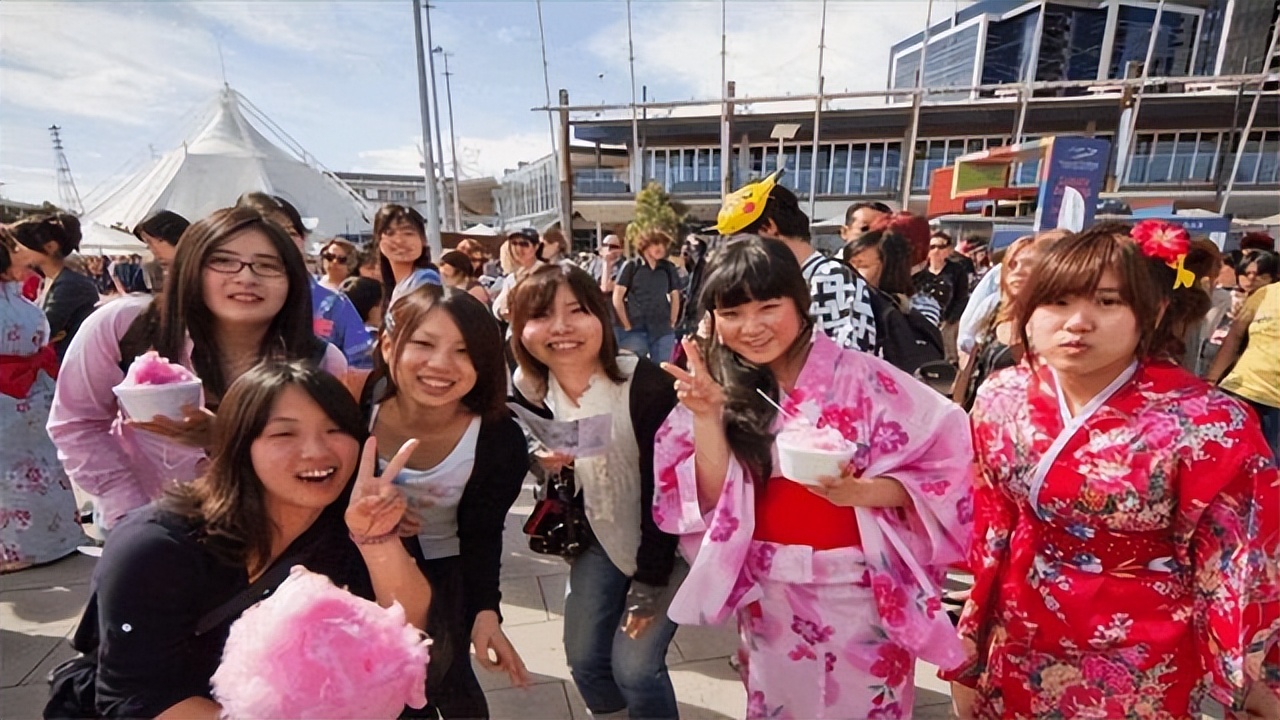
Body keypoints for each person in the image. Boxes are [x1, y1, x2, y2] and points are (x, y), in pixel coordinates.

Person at [948, 221, 1280, 720]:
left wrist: (1253, 674)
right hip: (1019, 622)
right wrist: (971, 633)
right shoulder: (1002, 394)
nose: (1077, 322)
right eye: (1057, 301)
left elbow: (1240, 556)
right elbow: (991, 517)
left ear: (1154, 311)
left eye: (1107, 302)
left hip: (1142, 639)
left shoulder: (1209, 422)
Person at [653, 235, 973, 719]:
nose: (751, 327)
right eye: (732, 313)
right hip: (771, 592)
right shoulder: (718, 385)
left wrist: (861, 491)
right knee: (782, 706)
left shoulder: (867, 378)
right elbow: (708, 498)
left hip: (860, 588)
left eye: (768, 307)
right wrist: (707, 417)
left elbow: (948, 463)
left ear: (800, 302)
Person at [51, 361, 431, 719]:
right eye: (284, 433)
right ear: (239, 446)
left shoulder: (352, 523)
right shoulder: (156, 549)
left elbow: (404, 635)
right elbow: (140, 698)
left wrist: (376, 540)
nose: (317, 450)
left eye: (335, 430)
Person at [48, 206, 348, 532]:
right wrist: (132, 510)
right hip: (147, 526)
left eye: (267, 265)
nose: (246, 277)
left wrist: (225, 439)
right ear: (191, 268)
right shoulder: (124, 326)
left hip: (268, 531)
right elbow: (77, 423)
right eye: (224, 261)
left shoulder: (319, 361)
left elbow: (317, 457)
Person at [509, 264, 684, 720]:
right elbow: (523, 436)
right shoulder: (530, 387)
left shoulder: (646, 385)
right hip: (599, 536)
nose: (561, 327)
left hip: (670, 545)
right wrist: (539, 456)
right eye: (541, 315)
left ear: (601, 316)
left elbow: (667, 496)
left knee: (635, 669)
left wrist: (648, 585)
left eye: (577, 310)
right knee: (585, 660)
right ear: (519, 327)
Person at [355, 283, 528, 718]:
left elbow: (484, 532)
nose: (440, 365)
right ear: (389, 345)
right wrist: (378, 522)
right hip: (355, 570)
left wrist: (485, 611)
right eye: (424, 344)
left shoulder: (498, 438)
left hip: (446, 574)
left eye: (463, 351)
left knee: (444, 679)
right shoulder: (355, 408)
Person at [0, 229, 84, 572]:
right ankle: (57, 537)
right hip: (32, 393)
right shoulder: (24, 307)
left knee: (9, 475)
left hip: (10, 395)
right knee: (40, 468)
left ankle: (14, 551)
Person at [720, 173, 876, 353]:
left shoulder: (830, 278)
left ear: (767, 228)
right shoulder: (788, 282)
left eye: (741, 243)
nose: (739, 256)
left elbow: (849, 358)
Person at [234, 193, 374, 370]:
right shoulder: (229, 298)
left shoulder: (332, 304)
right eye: (271, 232)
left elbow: (362, 366)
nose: (283, 241)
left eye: (291, 232)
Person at [952, 232, 1062, 410]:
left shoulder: (1054, 324)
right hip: (980, 416)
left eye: (1029, 264)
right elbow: (969, 371)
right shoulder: (995, 312)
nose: (1018, 271)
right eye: (1013, 264)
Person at [843, 216, 946, 372]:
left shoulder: (916, 311)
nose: (849, 273)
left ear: (890, 268)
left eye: (862, 266)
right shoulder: (838, 303)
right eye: (847, 266)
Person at [1208, 263, 1279, 455]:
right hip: (1239, 391)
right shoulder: (1265, 294)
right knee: (1221, 457)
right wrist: (1211, 381)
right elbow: (1235, 336)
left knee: (1268, 466)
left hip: (1276, 407)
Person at [9, 214, 99, 362]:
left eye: (20, 247)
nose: (16, 252)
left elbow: (41, 331)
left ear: (50, 246)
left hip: (69, 364)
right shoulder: (50, 280)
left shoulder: (70, 285)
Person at [613, 229, 681, 362]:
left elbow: (675, 295)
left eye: (663, 245)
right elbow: (617, 297)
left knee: (663, 370)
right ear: (644, 245)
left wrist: (673, 321)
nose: (660, 248)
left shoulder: (668, 268)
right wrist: (626, 324)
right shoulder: (632, 266)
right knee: (634, 369)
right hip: (636, 328)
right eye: (656, 244)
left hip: (662, 328)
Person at [913, 230, 970, 364]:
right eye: (932, 247)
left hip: (948, 322)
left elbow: (962, 297)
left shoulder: (957, 271)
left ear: (949, 250)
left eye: (941, 246)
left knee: (948, 354)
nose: (936, 251)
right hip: (923, 322)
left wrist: (950, 320)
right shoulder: (919, 273)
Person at [373, 204, 438, 295]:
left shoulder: (426, 280)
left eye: (408, 233)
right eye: (390, 233)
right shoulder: (392, 287)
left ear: (423, 240)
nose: (399, 241)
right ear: (378, 241)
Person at [491, 228, 542, 323]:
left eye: (524, 244)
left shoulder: (546, 272)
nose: (518, 249)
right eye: (514, 243)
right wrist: (503, 311)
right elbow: (497, 306)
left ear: (536, 247)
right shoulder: (511, 277)